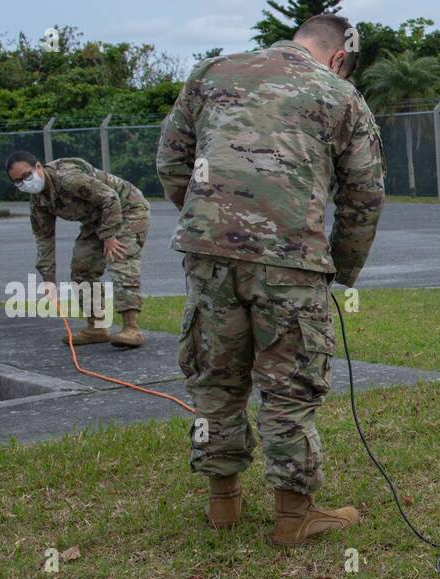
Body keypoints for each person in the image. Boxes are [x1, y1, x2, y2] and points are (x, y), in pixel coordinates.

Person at [156, 13, 385, 546]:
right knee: (289, 383)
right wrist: (341, 270)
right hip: (291, 260)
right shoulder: (339, 94)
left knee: (216, 375)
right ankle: (293, 514)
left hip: (207, 253)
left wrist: (211, 223)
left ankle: (223, 502)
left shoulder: (212, 72)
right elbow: (364, 195)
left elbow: (172, 160)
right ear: (337, 56)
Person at [5, 152, 151, 348]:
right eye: (18, 182)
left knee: (120, 260)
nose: (25, 183)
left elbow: (110, 197)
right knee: (82, 268)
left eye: (27, 175)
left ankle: (131, 328)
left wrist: (109, 237)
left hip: (128, 209)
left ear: (39, 167)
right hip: (97, 219)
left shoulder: (68, 178)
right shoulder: (38, 202)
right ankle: (97, 327)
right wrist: (48, 279)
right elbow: (44, 239)